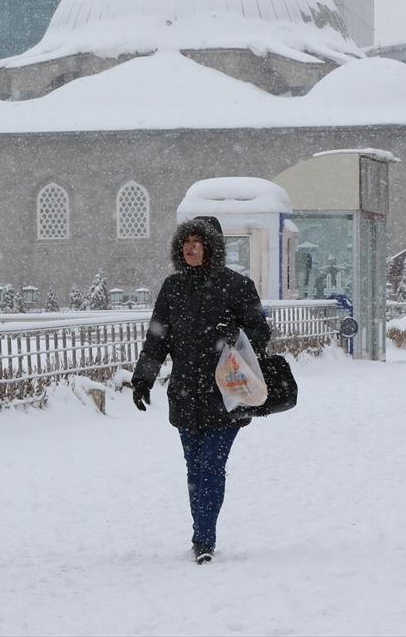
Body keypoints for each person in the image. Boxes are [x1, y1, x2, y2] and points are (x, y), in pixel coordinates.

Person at [130, 215, 271, 565]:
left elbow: (261, 334)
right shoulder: (172, 287)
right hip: (184, 394)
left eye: (197, 241)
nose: (190, 247)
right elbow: (157, 338)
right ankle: (200, 533)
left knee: (211, 466)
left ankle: (205, 538)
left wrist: (234, 333)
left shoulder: (237, 286)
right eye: (186, 241)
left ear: (212, 247)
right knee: (195, 470)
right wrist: (143, 378)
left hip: (227, 394)